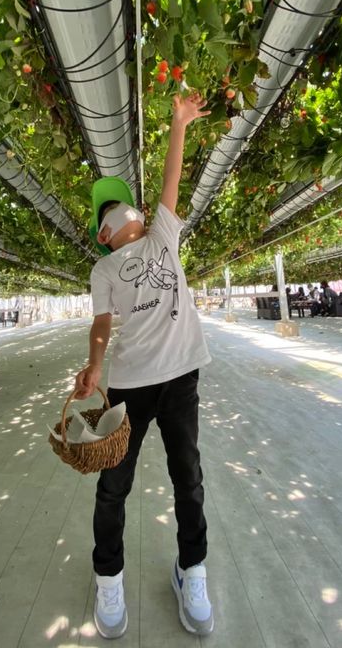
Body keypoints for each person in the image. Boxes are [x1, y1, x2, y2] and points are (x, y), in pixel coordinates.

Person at [75, 92, 214, 640]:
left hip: (180, 377)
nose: (119, 210)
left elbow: (170, 182)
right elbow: (102, 324)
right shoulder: (103, 268)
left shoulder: (163, 236)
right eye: (108, 213)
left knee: (190, 479)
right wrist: (93, 365)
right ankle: (108, 575)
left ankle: (192, 569)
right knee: (113, 486)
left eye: (120, 204)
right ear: (104, 235)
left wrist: (179, 123)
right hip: (129, 387)